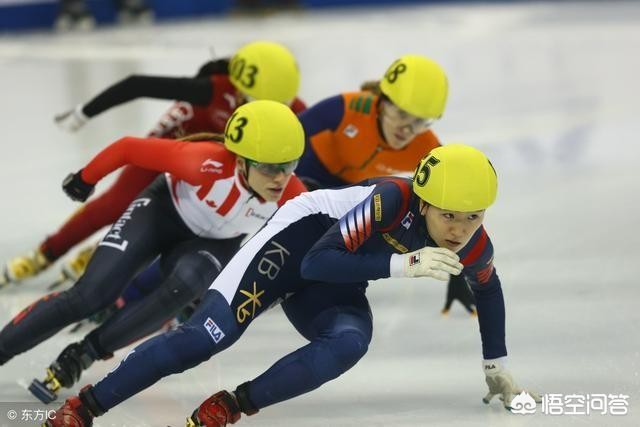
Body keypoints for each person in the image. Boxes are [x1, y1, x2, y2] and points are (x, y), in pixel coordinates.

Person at [44, 144, 540, 427]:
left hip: (334, 275)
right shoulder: (389, 199)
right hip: (292, 247)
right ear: (425, 204)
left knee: (348, 343)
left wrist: (495, 364)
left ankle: (231, 405)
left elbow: (488, 290)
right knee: (202, 339)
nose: (459, 229)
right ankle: (84, 407)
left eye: (472, 218)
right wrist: (401, 266)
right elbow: (319, 261)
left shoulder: (474, 244)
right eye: (449, 216)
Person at [0, 101, 306, 382]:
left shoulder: (294, 194)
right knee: (89, 296)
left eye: (289, 166)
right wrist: (85, 179)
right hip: (161, 214)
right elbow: (128, 148)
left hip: (213, 243)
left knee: (184, 287)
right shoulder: (203, 162)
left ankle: (86, 353)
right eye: (269, 168)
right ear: (241, 161)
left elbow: (324, 232)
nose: (280, 179)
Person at [0, 40, 305, 289]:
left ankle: (101, 251)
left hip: (213, 167)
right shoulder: (212, 90)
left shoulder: (285, 105)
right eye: (250, 101)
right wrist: (84, 112)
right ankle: (45, 253)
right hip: (171, 151)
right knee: (115, 204)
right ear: (239, 88)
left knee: (198, 221)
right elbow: (137, 84)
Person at [295, 53, 475, 315]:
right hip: (306, 175)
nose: (406, 128)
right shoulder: (349, 107)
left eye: (419, 121)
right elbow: (289, 131)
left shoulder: (426, 145)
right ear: (382, 101)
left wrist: (459, 274)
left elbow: (457, 207)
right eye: (401, 113)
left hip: (350, 193)